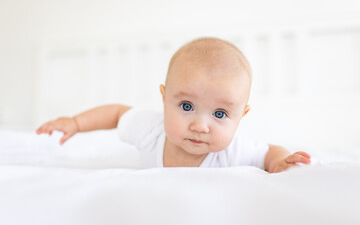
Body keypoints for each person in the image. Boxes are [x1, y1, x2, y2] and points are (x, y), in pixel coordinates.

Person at [36, 37, 311, 173]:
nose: (200, 126)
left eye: (219, 114)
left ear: (242, 116)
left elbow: (268, 153)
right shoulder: (151, 130)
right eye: (187, 106)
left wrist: (279, 163)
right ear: (164, 98)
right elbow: (118, 113)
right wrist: (75, 123)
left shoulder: (232, 152)